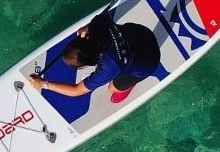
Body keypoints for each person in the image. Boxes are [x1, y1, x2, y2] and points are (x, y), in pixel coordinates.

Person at [28, 12, 160, 103]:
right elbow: (103, 18)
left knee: (112, 88)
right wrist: (87, 27)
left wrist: (44, 84)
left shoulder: (108, 68)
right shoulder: (99, 25)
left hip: (149, 61)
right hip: (144, 34)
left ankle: (131, 83)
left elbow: (76, 90)